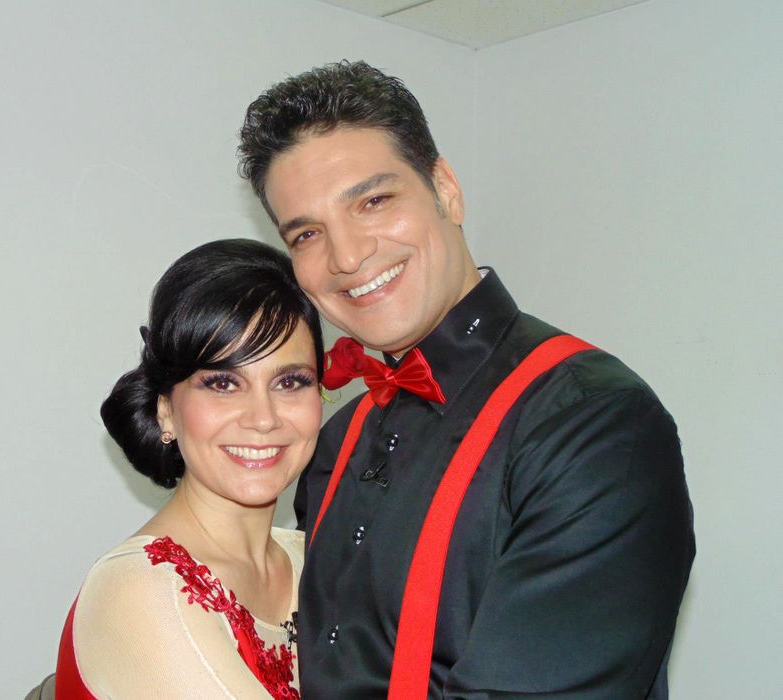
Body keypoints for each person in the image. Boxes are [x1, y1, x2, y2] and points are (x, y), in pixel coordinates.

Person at [238, 61, 695, 698]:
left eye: (373, 201)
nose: (347, 256)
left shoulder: (595, 420)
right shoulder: (334, 441)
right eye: (308, 234)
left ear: (446, 189)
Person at [53, 239, 324, 699]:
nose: (263, 418)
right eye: (223, 383)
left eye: (290, 381)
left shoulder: (319, 561)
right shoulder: (141, 590)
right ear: (166, 409)